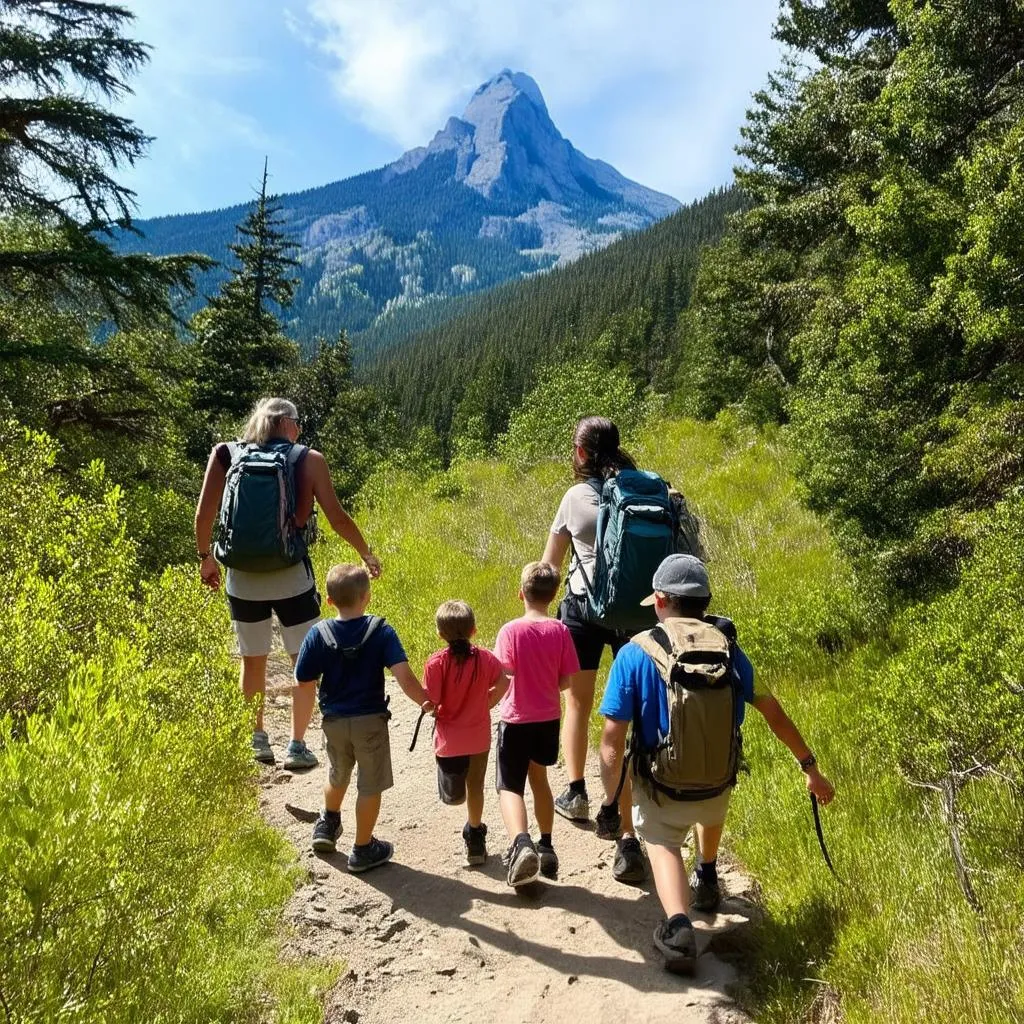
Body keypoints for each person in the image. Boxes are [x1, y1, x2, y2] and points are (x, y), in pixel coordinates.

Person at [596, 554, 836, 974]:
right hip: (717, 793)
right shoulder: (730, 650)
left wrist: (611, 797)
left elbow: (612, 741)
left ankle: (677, 926)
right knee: (710, 797)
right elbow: (773, 712)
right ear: (705, 602)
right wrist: (810, 768)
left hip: (663, 789)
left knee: (664, 841)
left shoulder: (635, 653)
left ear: (659, 601)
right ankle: (707, 874)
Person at [195, 396, 381, 768]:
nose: (299, 428)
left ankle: (257, 740)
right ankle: (297, 745)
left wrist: (206, 559)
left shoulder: (225, 454)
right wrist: (366, 553)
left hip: (242, 579)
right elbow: (337, 517)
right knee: (304, 662)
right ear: (284, 423)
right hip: (291, 576)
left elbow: (204, 513)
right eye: (297, 421)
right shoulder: (308, 459)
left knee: (253, 661)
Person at [540, 415, 646, 883]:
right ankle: (628, 809)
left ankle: (577, 792)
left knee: (577, 703)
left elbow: (549, 565)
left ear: (581, 452)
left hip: (584, 611)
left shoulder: (574, 497)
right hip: (634, 615)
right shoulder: (640, 487)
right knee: (623, 714)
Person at [294, 563, 430, 872]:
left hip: (334, 722)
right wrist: (425, 701)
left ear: (329, 601)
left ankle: (327, 824)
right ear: (366, 597)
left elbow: (303, 678)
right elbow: (404, 677)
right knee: (370, 785)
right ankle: (363, 847)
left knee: (336, 772)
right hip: (370, 722)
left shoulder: (319, 633)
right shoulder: (380, 631)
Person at [493, 562, 580, 888]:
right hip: (548, 719)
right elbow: (565, 681)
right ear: (554, 594)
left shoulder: (510, 631)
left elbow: (503, 676)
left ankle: (521, 843)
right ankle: (546, 845)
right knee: (539, 779)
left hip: (515, 719)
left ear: (521, 594)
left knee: (509, 786)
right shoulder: (561, 630)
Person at [422, 600, 508, 866]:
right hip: (478, 736)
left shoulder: (436, 663)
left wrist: (431, 708)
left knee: (454, 788)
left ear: (440, 634)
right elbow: (504, 681)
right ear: (473, 630)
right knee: (476, 786)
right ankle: (475, 835)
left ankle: (452, 793)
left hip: (449, 740)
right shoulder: (485, 658)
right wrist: (489, 701)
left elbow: (432, 700)